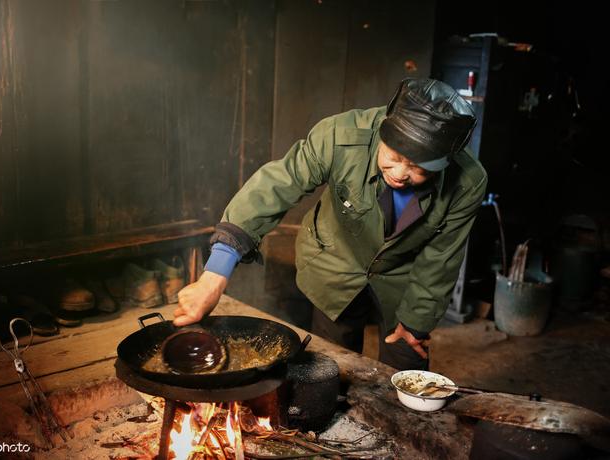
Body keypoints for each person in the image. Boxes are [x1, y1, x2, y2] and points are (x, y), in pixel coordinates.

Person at [173, 78, 487, 370]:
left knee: (406, 373)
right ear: (385, 129)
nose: (400, 173)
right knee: (331, 370)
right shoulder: (341, 135)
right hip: (335, 264)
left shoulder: (468, 182)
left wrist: (418, 321)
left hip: (402, 279)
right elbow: (277, 186)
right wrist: (214, 276)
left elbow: (441, 258)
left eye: (418, 167)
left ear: (447, 159)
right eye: (393, 154)